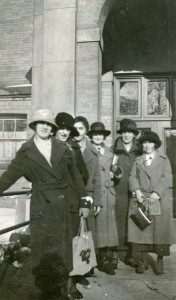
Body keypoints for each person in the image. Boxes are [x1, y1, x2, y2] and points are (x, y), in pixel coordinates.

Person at [0, 109, 90, 300]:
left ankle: (60, 293)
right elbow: (8, 177)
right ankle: (46, 294)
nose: (45, 127)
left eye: (49, 124)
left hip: (63, 207)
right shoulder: (26, 151)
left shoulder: (64, 149)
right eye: (41, 123)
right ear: (34, 126)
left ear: (52, 128)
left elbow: (76, 177)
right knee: (43, 256)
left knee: (62, 256)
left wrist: (84, 202)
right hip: (42, 207)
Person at [128, 130, 176, 274]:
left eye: (150, 142)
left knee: (160, 232)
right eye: (144, 142)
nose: (147, 145)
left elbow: (167, 178)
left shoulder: (163, 159)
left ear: (155, 144)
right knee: (142, 230)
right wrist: (137, 191)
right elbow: (132, 177)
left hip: (158, 199)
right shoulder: (138, 160)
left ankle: (160, 261)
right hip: (142, 198)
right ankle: (142, 262)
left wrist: (157, 193)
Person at [55, 112, 90, 299]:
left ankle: (69, 286)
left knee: (72, 245)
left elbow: (82, 175)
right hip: (52, 205)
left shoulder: (73, 149)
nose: (64, 132)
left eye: (68, 129)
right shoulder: (45, 147)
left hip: (71, 202)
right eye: (61, 128)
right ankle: (57, 286)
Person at [88, 122, 122, 275]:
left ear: (104, 137)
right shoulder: (87, 151)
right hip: (95, 193)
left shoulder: (111, 153)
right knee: (95, 228)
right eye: (95, 134)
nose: (98, 137)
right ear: (91, 136)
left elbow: (115, 175)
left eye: (100, 134)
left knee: (108, 229)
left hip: (108, 194)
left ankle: (105, 260)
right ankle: (93, 262)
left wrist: (116, 173)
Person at [73, 116, 102, 283]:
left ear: (86, 131)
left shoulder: (92, 150)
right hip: (72, 194)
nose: (78, 132)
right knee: (73, 233)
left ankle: (84, 269)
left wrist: (97, 200)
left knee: (87, 233)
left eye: (81, 128)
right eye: (75, 128)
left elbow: (97, 176)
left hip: (89, 196)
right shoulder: (67, 147)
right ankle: (74, 270)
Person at [112, 118, 139, 265]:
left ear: (134, 134)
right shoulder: (114, 149)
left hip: (136, 192)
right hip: (119, 191)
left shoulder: (140, 149)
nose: (127, 135)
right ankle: (118, 253)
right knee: (119, 222)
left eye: (130, 132)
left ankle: (133, 254)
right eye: (124, 132)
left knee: (135, 222)